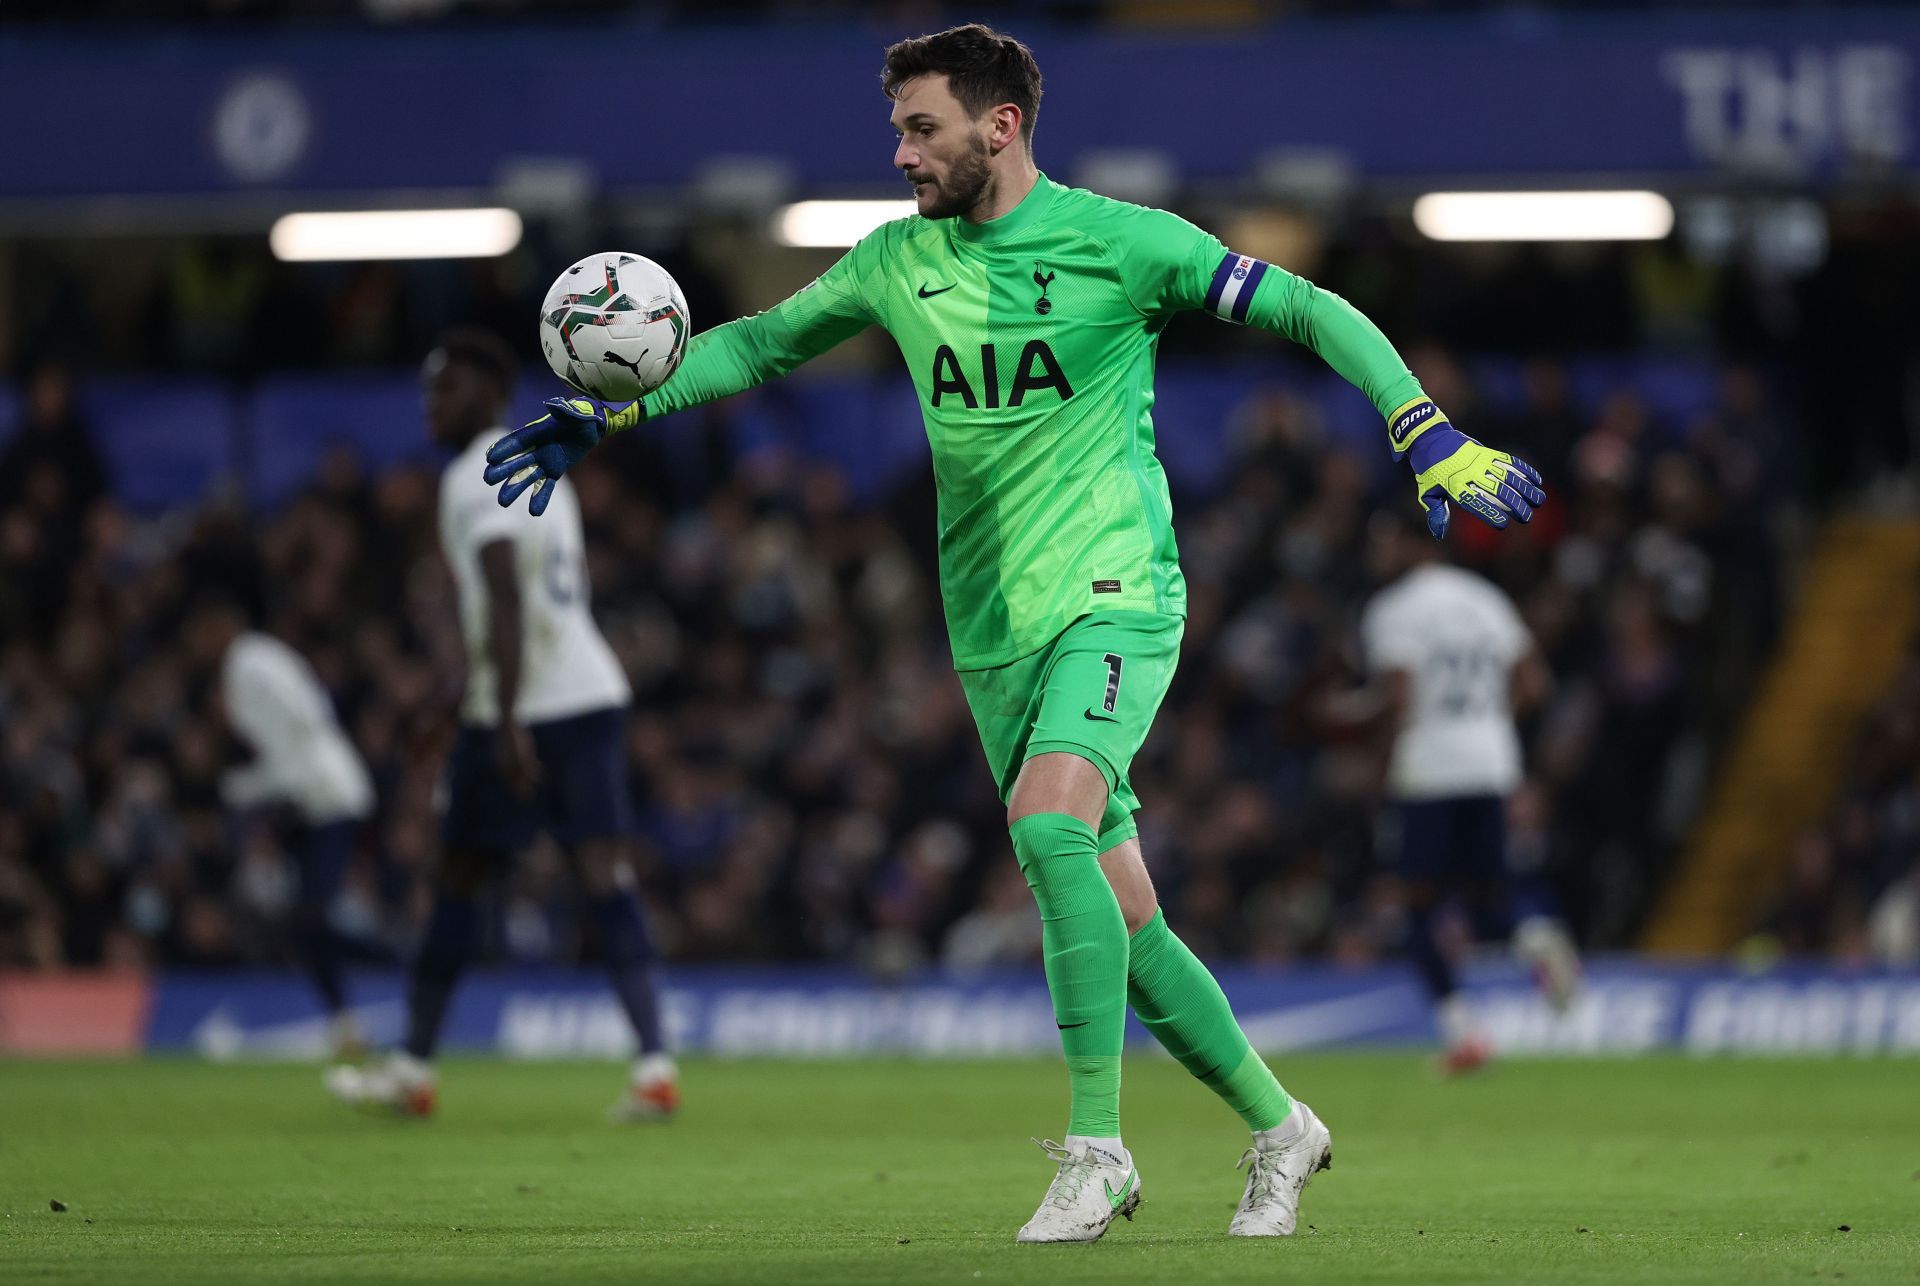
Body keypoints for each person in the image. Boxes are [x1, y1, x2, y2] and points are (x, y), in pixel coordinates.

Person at [485, 25, 1544, 1241]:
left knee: (1048, 824)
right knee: (1126, 923)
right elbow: (760, 342)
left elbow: (1308, 307)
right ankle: (1280, 1126)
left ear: (999, 125)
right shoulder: (894, 262)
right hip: (991, 630)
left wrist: (1425, 431)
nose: (899, 152)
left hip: (1118, 594)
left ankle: (1098, 1147)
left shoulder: (1120, 242)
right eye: (897, 128)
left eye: (920, 126)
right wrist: (606, 410)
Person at [326, 329, 678, 1120]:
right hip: (587, 694)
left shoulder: (473, 472)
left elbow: (504, 598)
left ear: (489, 394)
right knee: (603, 879)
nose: (430, 405)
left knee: (457, 879)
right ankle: (655, 1066)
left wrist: (504, 719)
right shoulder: (547, 458)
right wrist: (452, 701)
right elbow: (522, 605)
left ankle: (412, 1071)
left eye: (444, 389)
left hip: (524, 709)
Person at [1357, 512, 1581, 1074]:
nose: (1378, 552)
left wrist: (1376, 769)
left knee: (1416, 908)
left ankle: (1462, 1031)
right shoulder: (1487, 600)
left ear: (1412, 543)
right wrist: (1487, 724)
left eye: (1386, 539)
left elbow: (1400, 697)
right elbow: (1536, 684)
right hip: (1492, 763)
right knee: (1488, 896)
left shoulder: (1393, 610)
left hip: (1428, 769)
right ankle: (1537, 937)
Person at [192, 597, 376, 1054]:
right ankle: (343, 1022)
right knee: (305, 919)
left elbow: (299, 725)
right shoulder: (261, 658)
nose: (195, 645)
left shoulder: (246, 666)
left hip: (324, 796)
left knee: (313, 915)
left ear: (220, 625)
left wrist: (243, 790)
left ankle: (386, 976)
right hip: (311, 798)